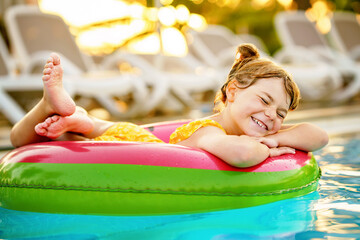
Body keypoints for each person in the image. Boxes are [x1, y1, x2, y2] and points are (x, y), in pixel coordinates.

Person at [10, 44, 328, 168]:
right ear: (232, 93)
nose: (271, 115)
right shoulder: (209, 132)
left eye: (281, 113)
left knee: (70, 133)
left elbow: (318, 136)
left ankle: (74, 115)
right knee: (25, 142)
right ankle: (55, 108)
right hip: (131, 142)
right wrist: (269, 148)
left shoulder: (257, 125)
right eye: (264, 101)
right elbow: (244, 154)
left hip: (131, 134)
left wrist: (275, 135)